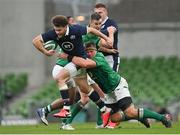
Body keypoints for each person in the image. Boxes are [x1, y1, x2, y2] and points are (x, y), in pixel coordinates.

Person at [67, 42, 172, 128]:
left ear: (96, 51)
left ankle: (163, 117)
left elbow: (85, 64)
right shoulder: (86, 62)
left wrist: (68, 56)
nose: (89, 53)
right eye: (87, 52)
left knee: (130, 112)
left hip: (118, 85)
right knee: (114, 118)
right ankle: (139, 116)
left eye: (91, 51)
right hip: (108, 92)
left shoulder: (98, 57)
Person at [33, 15, 112, 125]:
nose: (57, 32)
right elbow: (35, 41)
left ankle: (65, 110)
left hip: (79, 60)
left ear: (66, 26)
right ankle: (104, 109)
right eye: (55, 30)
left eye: (59, 30)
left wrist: (106, 37)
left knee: (70, 86)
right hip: (69, 62)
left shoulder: (76, 30)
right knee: (85, 90)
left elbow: (92, 30)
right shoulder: (53, 33)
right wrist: (45, 52)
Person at [94, 3, 119, 72]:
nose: (98, 15)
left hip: (109, 57)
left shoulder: (111, 22)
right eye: (96, 13)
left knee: (111, 79)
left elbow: (112, 30)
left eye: (100, 12)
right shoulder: (94, 24)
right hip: (97, 57)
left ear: (106, 12)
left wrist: (94, 33)